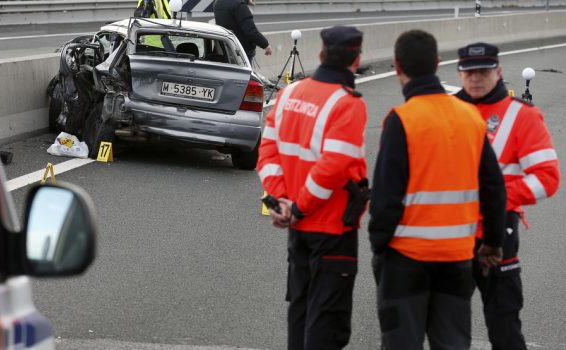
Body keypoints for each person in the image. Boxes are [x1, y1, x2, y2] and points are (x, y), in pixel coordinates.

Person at [368, 29, 507, 349]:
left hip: (405, 258)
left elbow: (386, 199)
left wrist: (379, 246)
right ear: (438, 64)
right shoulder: (470, 117)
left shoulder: (401, 120)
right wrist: (493, 241)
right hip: (458, 258)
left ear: (396, 67)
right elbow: (494, 188)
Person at [257, 25, 368, 349]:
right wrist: (301, 206)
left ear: (320, 55)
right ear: (356, 59)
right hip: (331, 229)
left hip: (298, 227)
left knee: (301, 312)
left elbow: (268, 152)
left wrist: (283, 203)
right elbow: (333, 167)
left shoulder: (289, 93)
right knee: (327, 323)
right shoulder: (348, 104)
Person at [455, 42, 560, 349]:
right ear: (459, 74)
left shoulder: (522, 116)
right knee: (446, 328)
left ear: (498, 72)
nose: (475, 78)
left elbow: (547, 178)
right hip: (448, 235)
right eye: (469, 72)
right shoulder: (446, 111)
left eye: (483, 72)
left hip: (498, 235)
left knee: (504, 326)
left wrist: (497, 198)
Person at [213, 0, 272, 65]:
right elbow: (250, 30)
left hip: (226, 49)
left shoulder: (217, 3)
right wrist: (265, 45)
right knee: (245, 74)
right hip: (242, 51)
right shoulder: (239, 5)